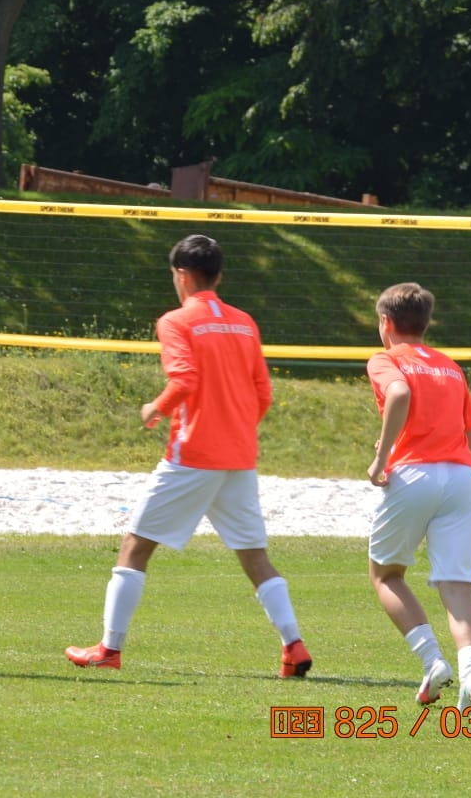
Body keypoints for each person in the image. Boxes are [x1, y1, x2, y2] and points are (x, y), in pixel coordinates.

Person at [65, 234, 312, 677]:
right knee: (255, 556)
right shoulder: (244, 322)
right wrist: (235, 429)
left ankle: (109, 649)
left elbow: (185, 379)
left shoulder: (176, 321)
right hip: (239, 455)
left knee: (135, 546)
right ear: (218, 276)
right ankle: (293, 646)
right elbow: (263, 394)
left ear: (181, 275)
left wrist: (154, 409)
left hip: (194, 454)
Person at [364, 282, 471, 712]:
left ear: (386, 322)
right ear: (426, 323)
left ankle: (433, 661)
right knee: (457, 585)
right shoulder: (450, 366)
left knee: (386, 575)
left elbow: (399, 393)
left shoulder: (385, 359)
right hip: (461, 477)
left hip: (414, 474)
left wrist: (381, 456)